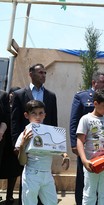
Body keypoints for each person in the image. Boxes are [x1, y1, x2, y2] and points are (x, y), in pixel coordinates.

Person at [70, 71, 104, 205]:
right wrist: (74, 146)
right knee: (87, 190)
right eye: (102, 82)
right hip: (90, 156)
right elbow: (74, 123)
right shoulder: (81, 99)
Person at [11, 63, 58, 205]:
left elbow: (53, 122)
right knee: (27, 189)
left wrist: (55, 144)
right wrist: (17, 145)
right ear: (30, 74)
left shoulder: (51, 95)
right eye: (40, 72)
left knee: (46, 191)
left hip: (44, 150)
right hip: (26, 144)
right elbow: (14, 121)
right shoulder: (20, 94)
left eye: (45, 73)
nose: (43, 75)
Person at [15, 100, 70, 205]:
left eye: (41, 113)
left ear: (45, 115)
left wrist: (65, 155)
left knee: (52, 202)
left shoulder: (49, 132)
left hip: (47, 174)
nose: (38, 117)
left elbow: (57, 147)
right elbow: (22, 162)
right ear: (26, 115)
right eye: (34, 113)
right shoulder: (25, 134)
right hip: (32, 174)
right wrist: (23, 145)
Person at [0, 87, 22, 205]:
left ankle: (9, 195)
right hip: (3, 142)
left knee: (13, 171)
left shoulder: (19, 107)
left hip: (13, 143)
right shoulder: (4, 104)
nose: (13, 96)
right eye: (12, 94)